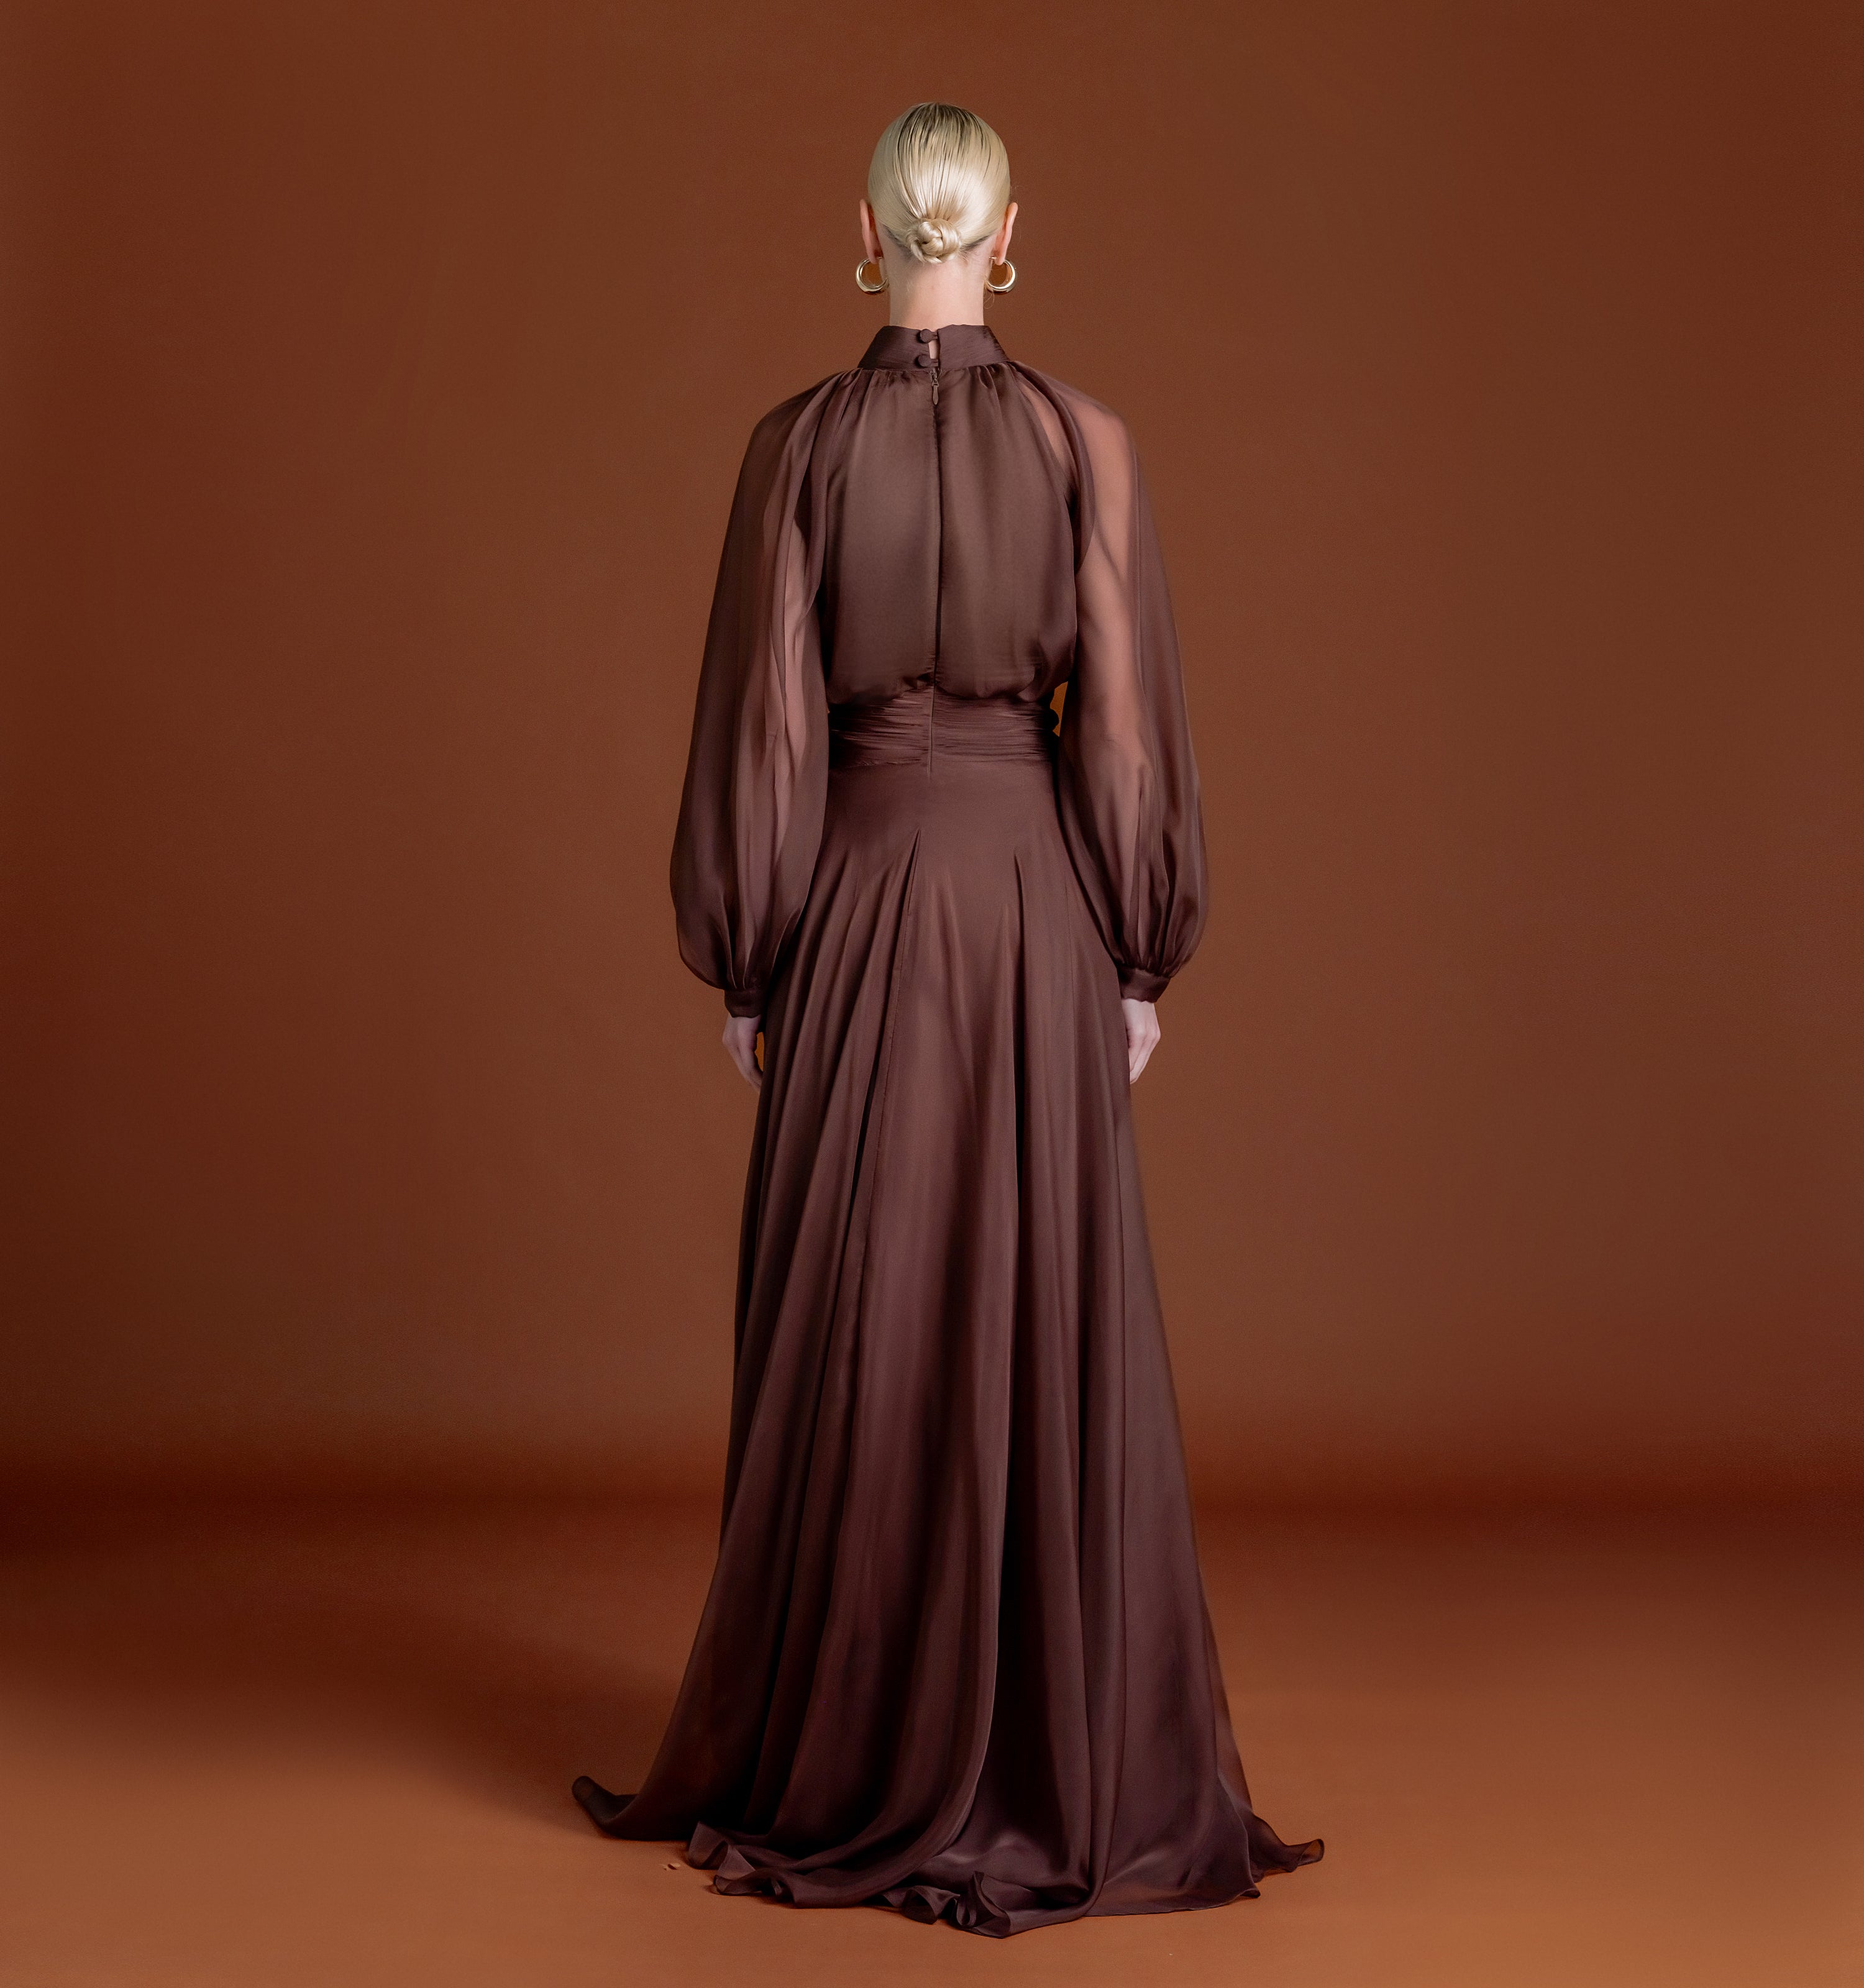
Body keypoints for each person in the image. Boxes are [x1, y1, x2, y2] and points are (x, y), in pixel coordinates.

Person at [573, 101, 1321, 1937]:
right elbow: (1122, 724)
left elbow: (763, 723)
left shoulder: (796, 448)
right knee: (1036, 1301)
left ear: (867, 235)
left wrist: (754, 960)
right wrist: (1136, 958)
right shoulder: (1085, 444)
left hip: (851, 903)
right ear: (1004, 233)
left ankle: (844, 1747)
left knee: (860, 1312)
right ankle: (1046, 1757)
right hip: (1035, 911)